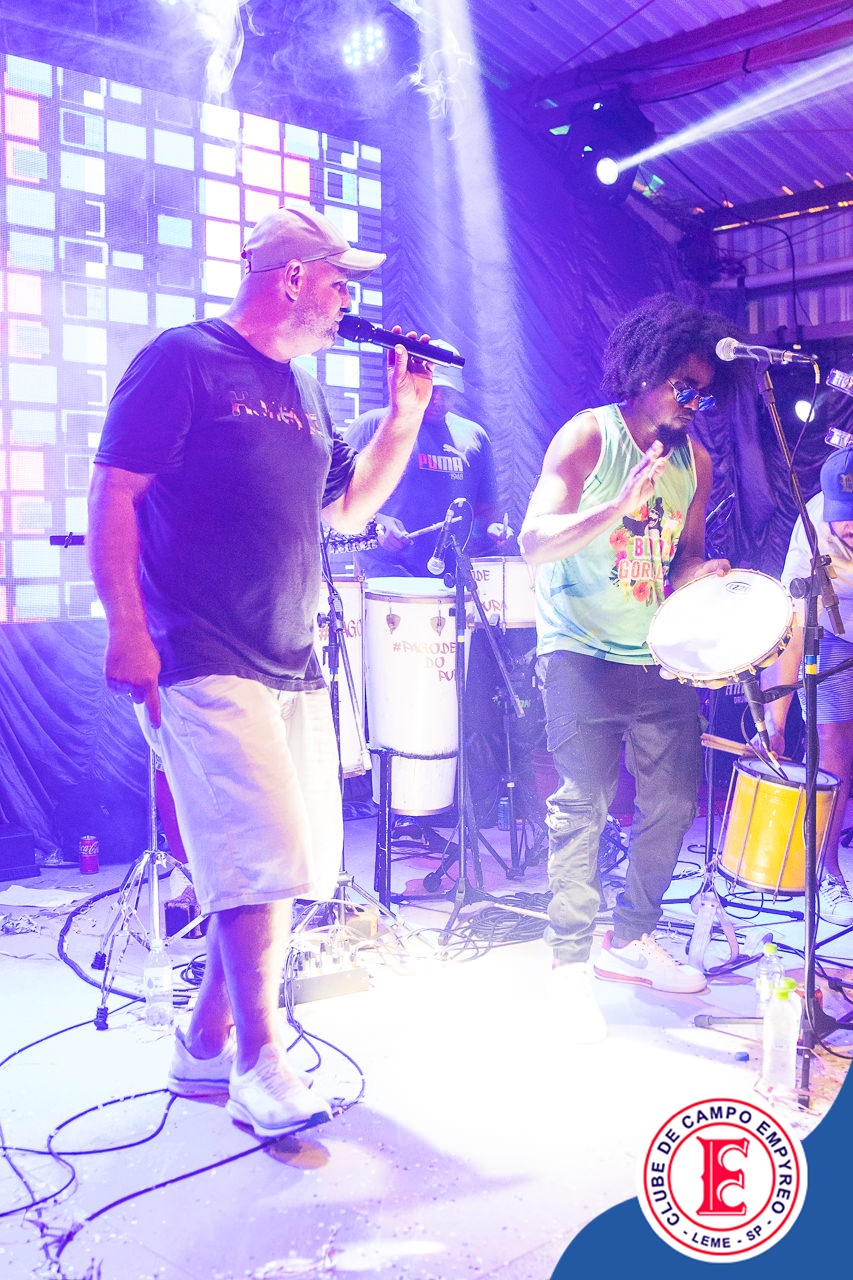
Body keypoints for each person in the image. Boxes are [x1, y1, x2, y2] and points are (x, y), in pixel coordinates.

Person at [87, 206, 434, 1137]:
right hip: (197, 648)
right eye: (339, 280)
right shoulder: (184, 359)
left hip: (288, 653)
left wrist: (404, 418)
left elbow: (347, 510)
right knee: (263, 852)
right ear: (292, 277)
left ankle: (203, 1041)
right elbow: (114, 491)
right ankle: (259, 1061)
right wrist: (127, 631)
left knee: (291, 862)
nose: (347, 298)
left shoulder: (306, 392)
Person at [520, 293, 737, 1042]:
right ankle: (567, 963)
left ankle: (632, 937)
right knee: (582, 803)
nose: (692, 403)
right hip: (577, 648)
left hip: (653, 651)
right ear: (644, 371)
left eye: (702, 393)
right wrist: (616, 504)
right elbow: (534, 542)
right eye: (683, 386)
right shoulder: (588, 436)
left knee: (673, 800)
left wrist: (706, 576)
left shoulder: (695, 461)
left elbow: (679, 561)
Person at [759, 448, 853, 926]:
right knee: (833, 742)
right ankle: (825, 871)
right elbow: (795, 632)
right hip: (833, 631)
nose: (850, 526)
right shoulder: (813, 529)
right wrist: (775, 723)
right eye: (844, 515)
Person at [344, 352, 514, 577]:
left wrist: (491, 528)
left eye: (448, 393)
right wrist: (377, 522)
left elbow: (485, 508)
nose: (438, 400)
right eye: (433, 389)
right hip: (386, 574)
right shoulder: (374, 424)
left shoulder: (475, 436)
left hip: (452, 576)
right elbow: (335, 497)